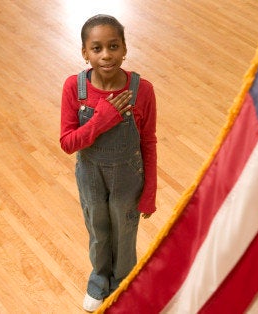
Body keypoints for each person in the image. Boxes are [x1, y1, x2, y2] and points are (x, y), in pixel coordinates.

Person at [59, 14, 157, 312]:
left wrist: (150, 191)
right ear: (84, 52)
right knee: (98, 231)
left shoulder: (143, 90)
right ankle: (99, 280)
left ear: (124, 49)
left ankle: (124, 284)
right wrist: (101, 121)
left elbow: (148, 142)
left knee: (125, 233)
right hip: (90, 175)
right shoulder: (74, 89)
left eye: (113, 46)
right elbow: (67, 143)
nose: (106, 55)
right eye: (97, 48)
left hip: (128, 176)